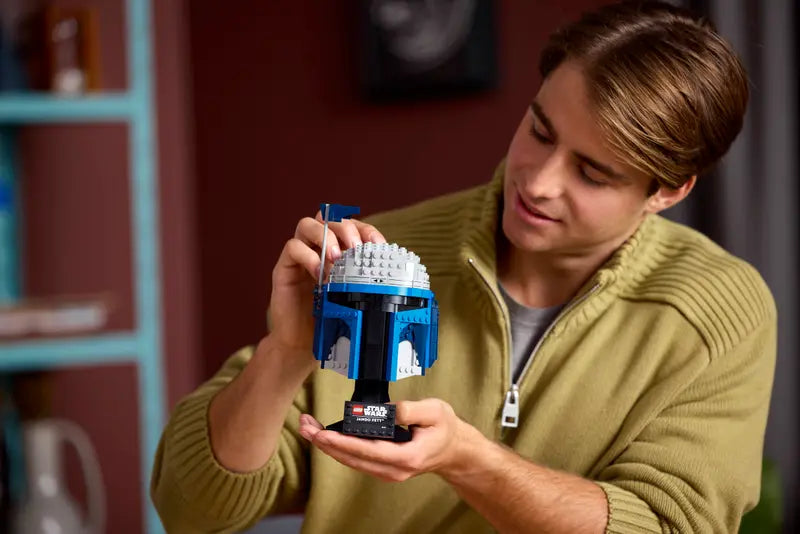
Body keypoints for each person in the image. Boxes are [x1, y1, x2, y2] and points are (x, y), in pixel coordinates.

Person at [150, 1, 777, 533]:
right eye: (540, 130)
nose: (539, 181)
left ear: (668, 191)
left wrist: (469, 461)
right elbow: (191, 506)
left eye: (591, 172)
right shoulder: (385, 259)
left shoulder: (716, 310)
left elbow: (670, 525)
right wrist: (284, 352)